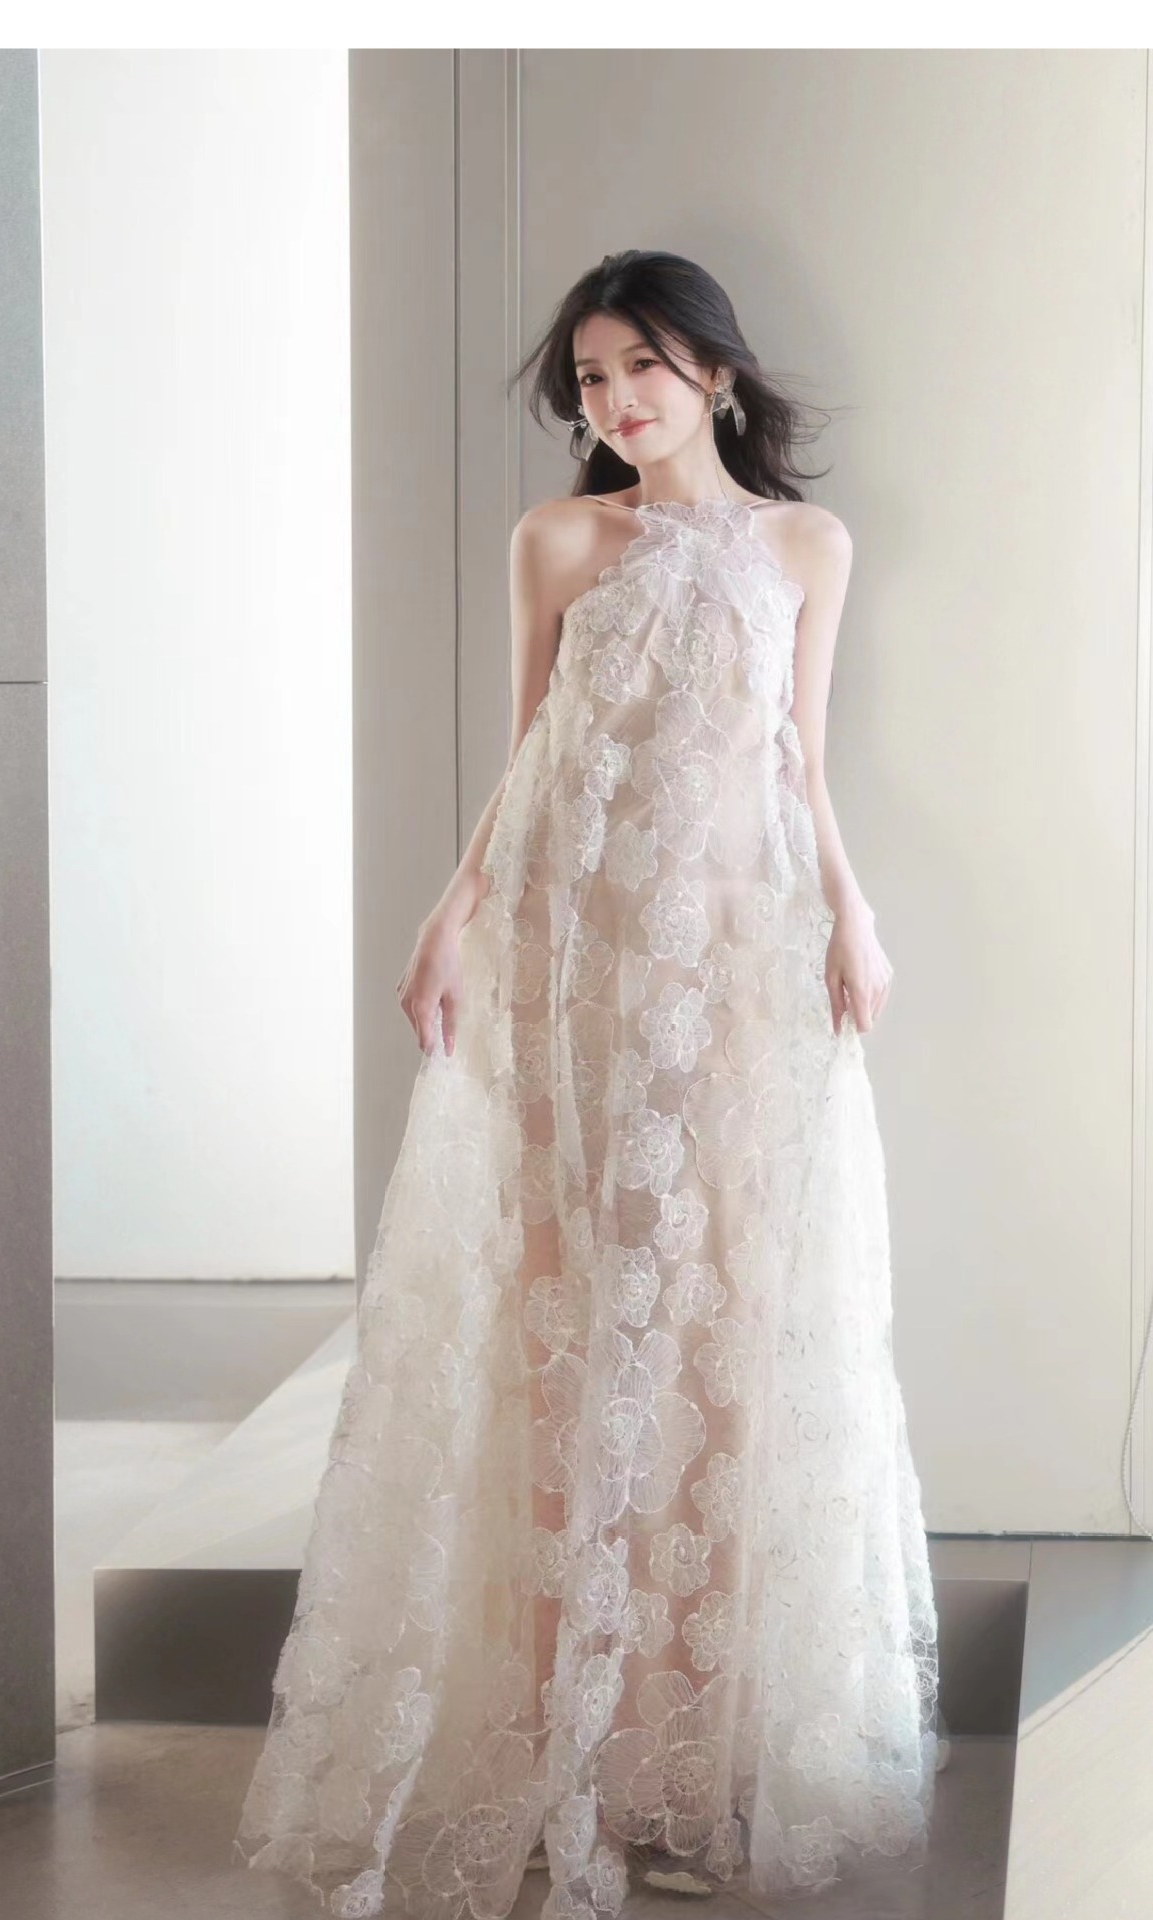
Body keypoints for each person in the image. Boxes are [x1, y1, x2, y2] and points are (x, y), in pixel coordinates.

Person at [231, 247, 942, 1916]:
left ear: (717, 375)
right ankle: (573, 1771)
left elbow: (799, 758)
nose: (616, 401)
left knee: (716, 1344)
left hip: (740, 977)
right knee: (570, 1346)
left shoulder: (807, 548)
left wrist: (852, 914)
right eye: (593, 379)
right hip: (577, 979)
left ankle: (683, 1769)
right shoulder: (558, 540)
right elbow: (532, 756)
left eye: (644, 368)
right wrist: (452, 914)